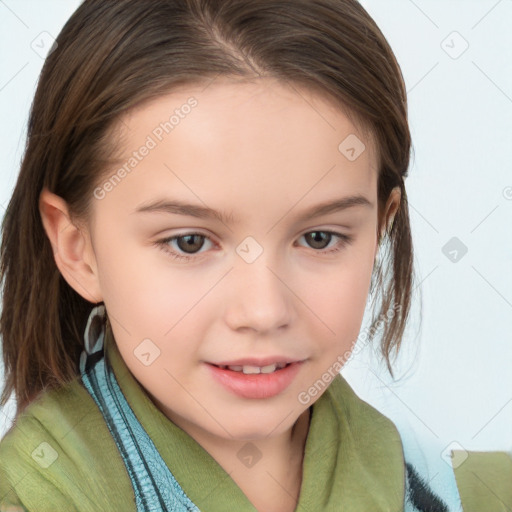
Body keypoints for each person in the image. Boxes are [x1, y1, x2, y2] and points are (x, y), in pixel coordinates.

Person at [0, 0, 502, 510]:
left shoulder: (474, 492)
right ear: (77, 248)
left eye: (320, 238)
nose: (264, 311)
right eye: (189, 242)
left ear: (380, 228)